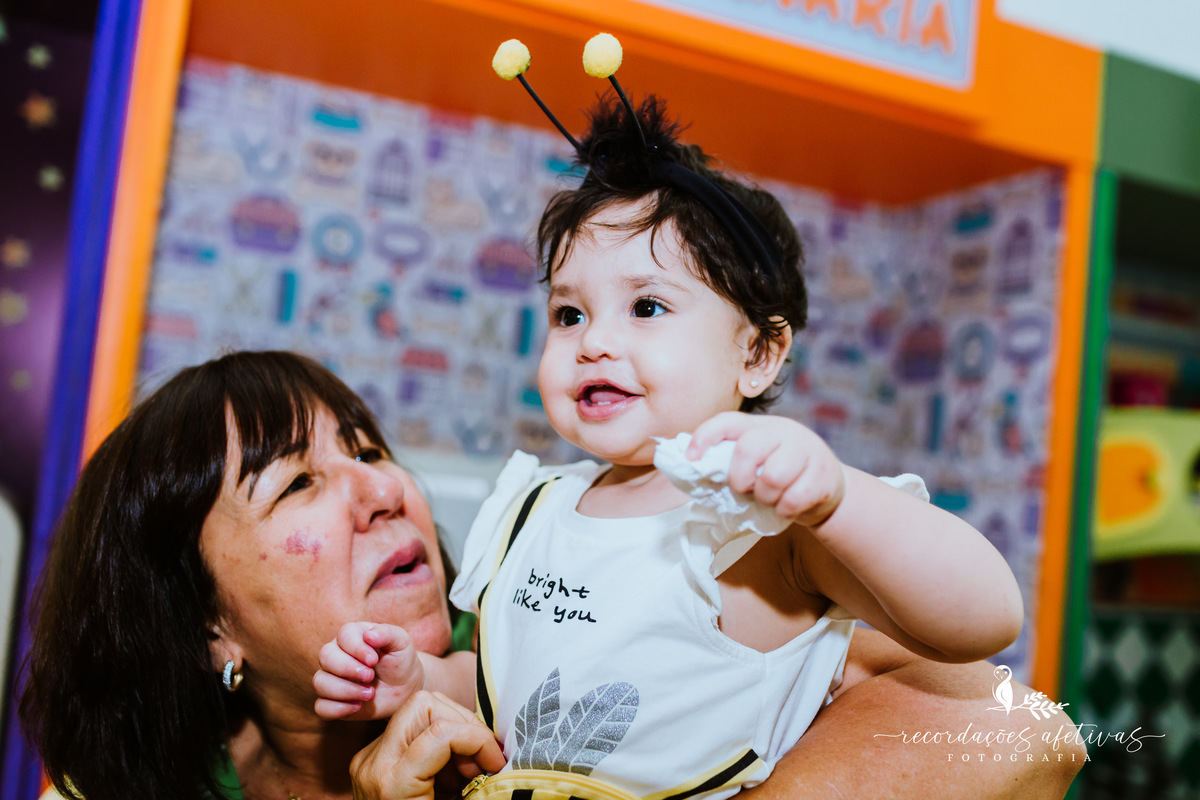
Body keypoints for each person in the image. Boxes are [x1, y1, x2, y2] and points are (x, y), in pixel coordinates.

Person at [315, 85, 1029, 798]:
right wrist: (422, 679)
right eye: (569, 313)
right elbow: (512, 689)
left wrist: (838, 503)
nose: (594, 341)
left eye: (647, 305)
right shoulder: (532, 508)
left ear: (758, 354)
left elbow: (984, 620)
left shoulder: (765, 525)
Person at [19, 351, 1078, 800]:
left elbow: (1025, 727)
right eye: (299, 483)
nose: (384, 490)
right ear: (203, 623)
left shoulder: (537, 644)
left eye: (370, 448)